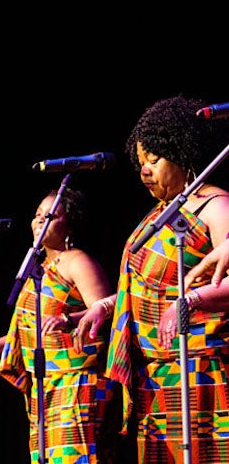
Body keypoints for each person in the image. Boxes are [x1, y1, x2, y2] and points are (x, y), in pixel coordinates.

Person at [80, 94, 229, 463]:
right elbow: (144, 288)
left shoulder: (216, 206)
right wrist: (104, 305)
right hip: (153, 375)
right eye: (140, 161)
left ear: (183, 153)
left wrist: (190, 301)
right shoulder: (158, 216)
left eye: (154, 160)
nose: (144, 171)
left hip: (200, 369)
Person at [0, 187, 121, 463]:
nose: (39, 221)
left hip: (77, 383)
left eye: (51, 216)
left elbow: (107, 308)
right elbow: (31, 332)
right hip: (46, 387)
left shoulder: (77, 261)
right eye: (37, 215)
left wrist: (69, 319)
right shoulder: (39, 270)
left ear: (69, 226)